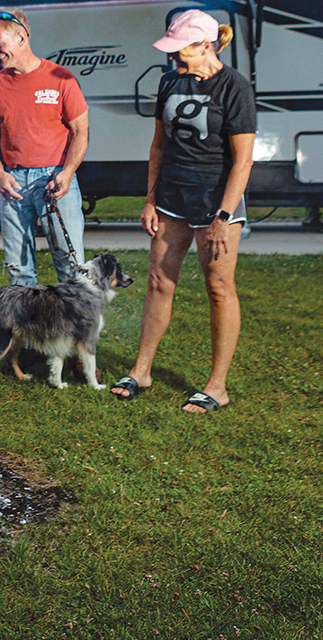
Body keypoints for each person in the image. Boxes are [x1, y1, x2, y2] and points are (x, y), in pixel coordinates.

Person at [109, 10, 255, 413]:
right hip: (173, 195)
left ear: (205, 45)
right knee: (158, 282)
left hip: (216, 201)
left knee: (218, 289)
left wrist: (223, 217)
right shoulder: (169, 80)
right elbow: (159, 145)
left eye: (179, 51)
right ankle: (141, 371)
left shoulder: (234, 88)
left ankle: (217, 386)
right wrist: (150, 199)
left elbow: (243, 162)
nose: (173, 59)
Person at [0, 9, 89, 286]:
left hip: (55, 180)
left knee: (70, 264)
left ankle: (75, 329)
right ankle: (26, 328)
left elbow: (80, 132)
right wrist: (0, 175)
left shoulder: (60, 77)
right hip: (13, 182)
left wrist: (67, 172)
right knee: (18, 268)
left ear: (21, 39)